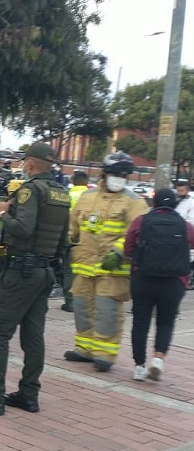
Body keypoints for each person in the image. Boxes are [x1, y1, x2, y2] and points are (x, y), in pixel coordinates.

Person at [0, 142, 69, 415]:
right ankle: (28, 394)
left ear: (30, 163)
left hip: (21, 271)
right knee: (33, 336)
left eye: (24, 161)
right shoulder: (61, 193)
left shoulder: (30, 191)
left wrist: (4, 213)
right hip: (44, 271)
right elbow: (64, 240)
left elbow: (23, 228)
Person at [64, 151, 149, 372]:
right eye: (115, 173)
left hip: (113, 270)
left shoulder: (134, 202)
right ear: (105, 173)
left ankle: (105, 354)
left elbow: (138, 233)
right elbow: (72, 227)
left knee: (107, 312)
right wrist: (65, 245)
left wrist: (119, 251)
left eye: (124, 174)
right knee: (82, 308)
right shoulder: (87, 198)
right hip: (84, 265)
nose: (120, 178)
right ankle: (84, 349)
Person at [125, 189, 194, 382]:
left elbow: (128, 249)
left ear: (153, 203)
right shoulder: (184, 225)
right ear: (174, 204)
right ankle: (158, 358)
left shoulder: (141, 221)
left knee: (140, 324)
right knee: (165, 322)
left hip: (143, 278)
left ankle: (139, 366)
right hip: (173, 282)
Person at [61, 170, 90, 312]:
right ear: (86, 181)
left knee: (69, 270)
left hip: (71, 237)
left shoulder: (69, 195)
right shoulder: (93, 196)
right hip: (89, 239)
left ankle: (70, 301)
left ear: (73, 180)